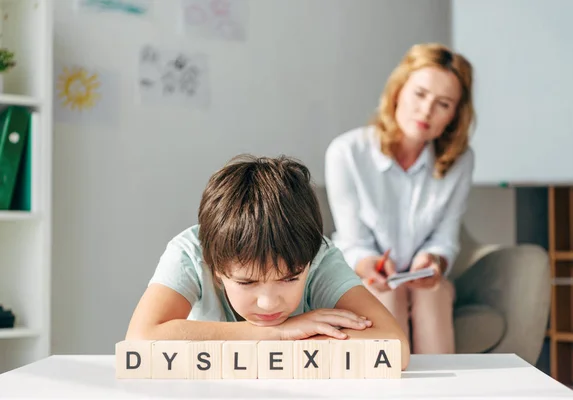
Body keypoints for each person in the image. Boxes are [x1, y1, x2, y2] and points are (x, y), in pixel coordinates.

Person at [126, 154, 410, 369]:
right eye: (246, 282)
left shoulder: (318, 255)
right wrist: (277, 333)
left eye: (289, 278)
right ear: (215, 269)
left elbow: (394, 346)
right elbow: (139, 342)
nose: (269, 303)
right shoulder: (190, 252)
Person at [324, 43, 475, 354]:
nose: (426, 111)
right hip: (365, 275)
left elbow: (446, 238)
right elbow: (353, 241)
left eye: (443, 104)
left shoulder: (460, 160)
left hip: (423, 283)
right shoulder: (347, 153)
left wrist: (432, 261)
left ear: (454, 115)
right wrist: (371, 266)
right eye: (420, 94)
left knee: (431, 292)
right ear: (398, 91)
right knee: (387, 292)